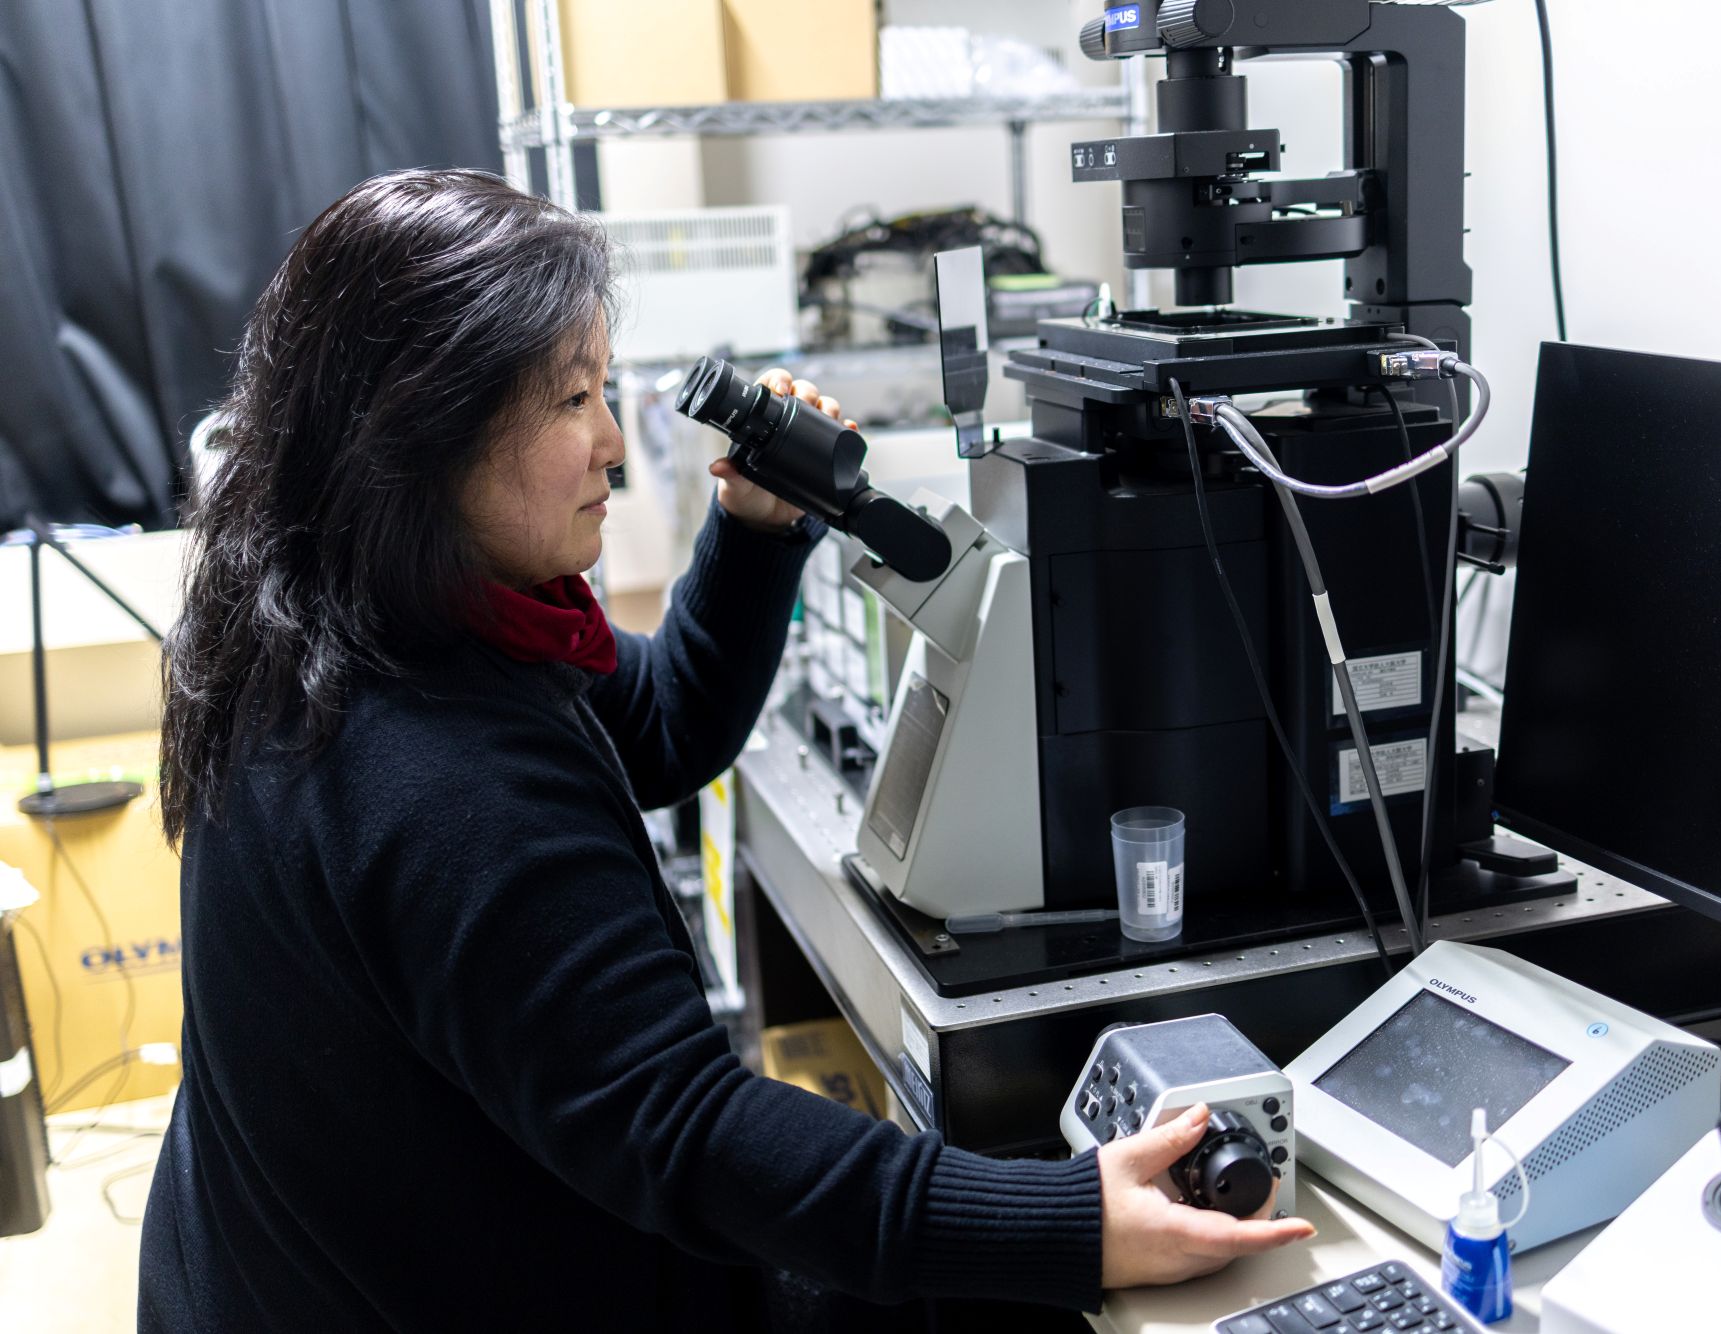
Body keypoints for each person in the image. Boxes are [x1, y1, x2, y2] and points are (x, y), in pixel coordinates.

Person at [138, 169, 1312, 1330]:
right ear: (421, 432)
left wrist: (754, 528)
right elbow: (685, 1128)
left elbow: (652, 726)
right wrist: (1066, 1223)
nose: (611, 442)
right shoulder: (433, 771)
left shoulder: (356, 616)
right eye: (570, 399)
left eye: (604, 388)